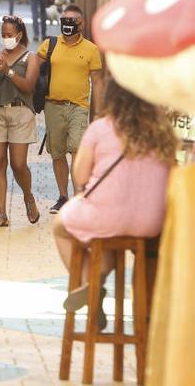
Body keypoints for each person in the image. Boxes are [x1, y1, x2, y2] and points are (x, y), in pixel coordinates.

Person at [52, 79, 176, 327]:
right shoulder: (161, 132)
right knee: (108, 240)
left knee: (61, 227)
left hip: (106, 217)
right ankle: (93, 287)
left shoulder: (101, 128)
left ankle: (90, 287)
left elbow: (80, 176)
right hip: (150, 223)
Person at [37, 4, 105, 214]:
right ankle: (63, 196)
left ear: (81, 24)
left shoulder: (91, 50)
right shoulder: (50, 45)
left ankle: (78, 197)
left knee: (77, 150)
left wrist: (99, 113)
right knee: (57, 153)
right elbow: (33, 67)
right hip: (53, 106)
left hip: (78, 107)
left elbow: (98, 82)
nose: (67, 24)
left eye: (72, 21)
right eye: (64, 20)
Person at [0, 16, 41, 227]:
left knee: (18, 164)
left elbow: (28, 86)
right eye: (3, 34)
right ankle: (2, 214)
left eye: (9, 34)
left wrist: (8, 71)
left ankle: (28, 195)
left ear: (19, 35)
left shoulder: (30, 57)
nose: (6, 38)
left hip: (20, 113)